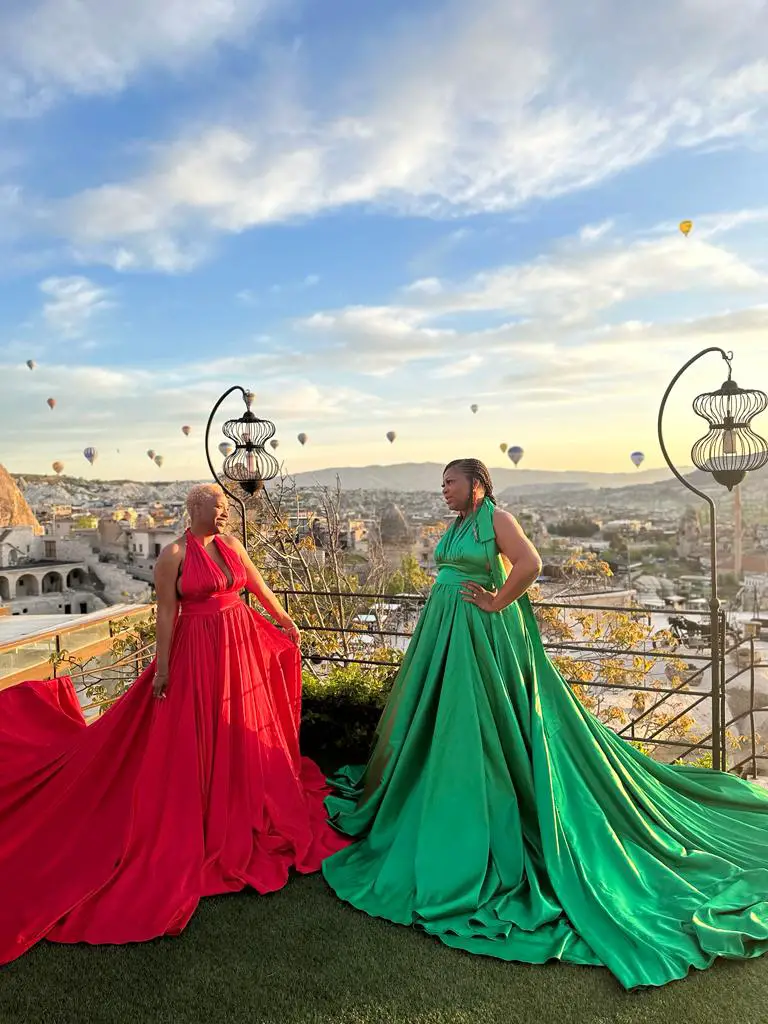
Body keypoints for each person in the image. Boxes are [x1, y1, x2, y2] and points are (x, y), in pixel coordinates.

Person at [322, 459, 768, 990]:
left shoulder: (498, 519)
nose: (443, 489)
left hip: (480, 635)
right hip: (446, 631)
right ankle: (432, 791)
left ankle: (485, 809)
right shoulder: (457, 523)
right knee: (436, 719)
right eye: (441, 482)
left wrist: (494, 602)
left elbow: (529, 565)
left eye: (451, 481)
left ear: (477, 484)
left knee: (483, 723)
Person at [0, 483, 347, 966]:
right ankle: (203, 811)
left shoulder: (233, 546)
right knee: (197, 731)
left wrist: (284, 617)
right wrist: (162, 668)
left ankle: (238, 799)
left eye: (227, 507)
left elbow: (258, 586)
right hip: (197, 649)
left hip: (238, 643)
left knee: (236, 723)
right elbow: (167, 612)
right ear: (196, 509)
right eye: (219, 507)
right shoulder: (174, 556)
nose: (226, 513)